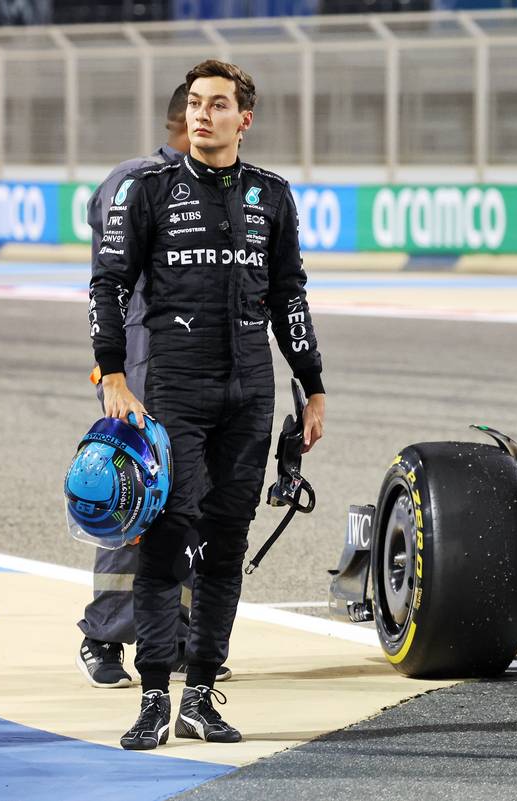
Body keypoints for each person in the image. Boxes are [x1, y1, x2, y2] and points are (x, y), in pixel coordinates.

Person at [89, 59, 325, 750]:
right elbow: (107, 285)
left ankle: (200, 694)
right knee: (167, 541)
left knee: (225, 547)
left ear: (243, 119)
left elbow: (291, 298)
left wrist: (312, 385)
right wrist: (111, 372)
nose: (202, 115)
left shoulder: (272, 196)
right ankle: (153, 696)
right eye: (195, 103)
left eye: (218, 105)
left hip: (249, 395)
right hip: (173, 393)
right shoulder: (148, 190)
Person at [77, 83, 235, 690]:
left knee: (195, 502)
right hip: (140, 363)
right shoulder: (135, 182)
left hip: (197, 367)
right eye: (204, 113)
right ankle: (105, 634)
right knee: (132, 495)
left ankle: (176, 638)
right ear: (185, 123)